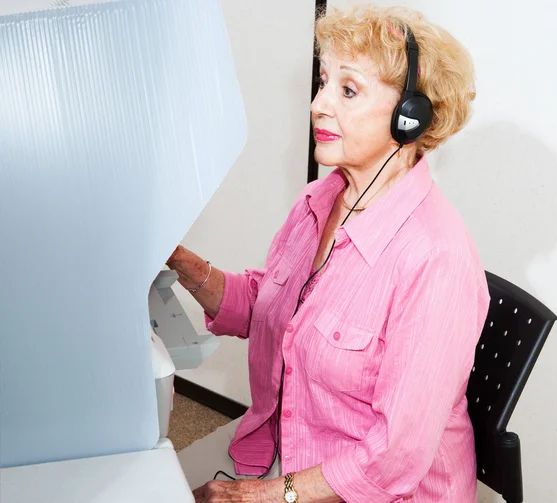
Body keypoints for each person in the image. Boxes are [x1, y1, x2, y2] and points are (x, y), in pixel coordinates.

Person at [168, 5, 490, 503]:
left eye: (348, 89)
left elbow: (393, 460)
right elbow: (266, 305)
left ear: (411, 117)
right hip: (295, 460)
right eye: (323, 83)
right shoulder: (320, 201)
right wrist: (173, 255)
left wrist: (257, 496)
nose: (318, 104)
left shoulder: (435, 259)